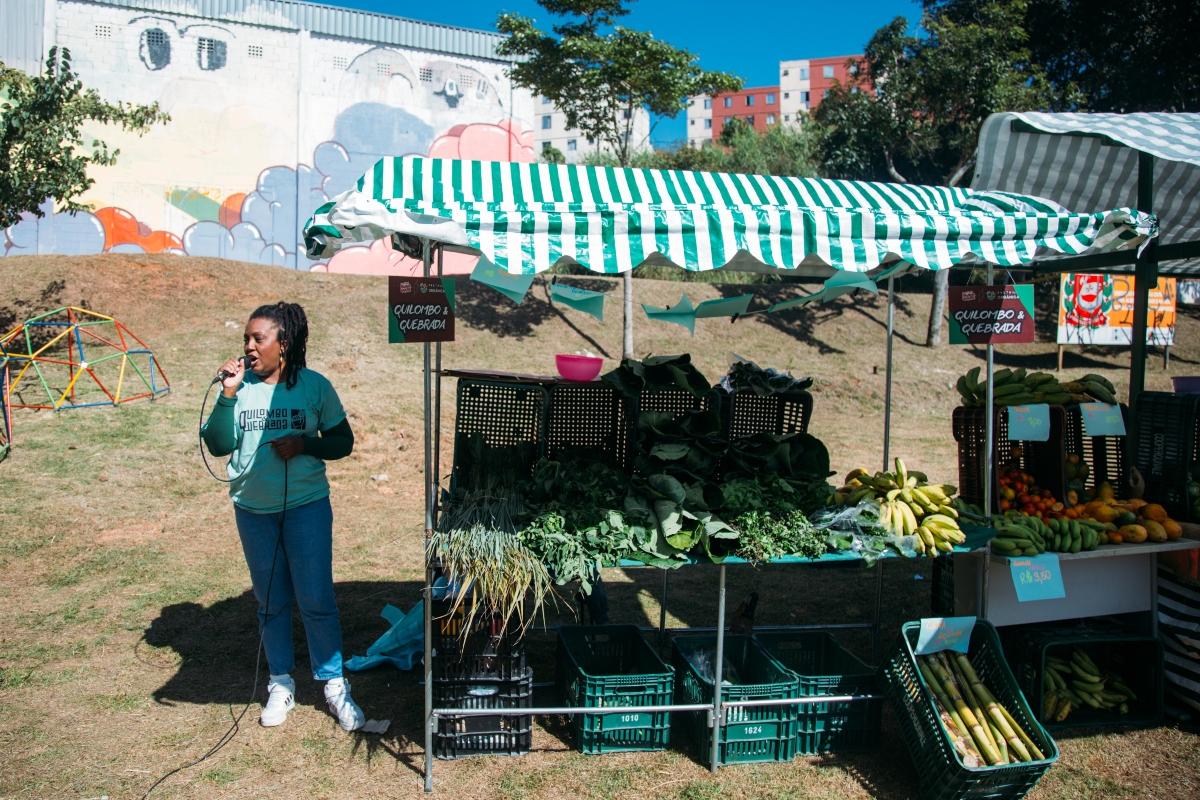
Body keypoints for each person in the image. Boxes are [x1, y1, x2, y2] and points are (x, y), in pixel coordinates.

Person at [202, 301, 364, 731]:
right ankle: (280, 683)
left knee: (316, 599)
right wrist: (228, 393)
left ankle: (333, 684)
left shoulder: (314, 387)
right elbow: (217, 445)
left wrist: (305, 444)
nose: (250, 347)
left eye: (259, 338)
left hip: (306, 508)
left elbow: (342, 442)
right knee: (270, 601)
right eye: (246, 339)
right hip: (253, 511)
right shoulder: (239, 388)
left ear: (284, 343)